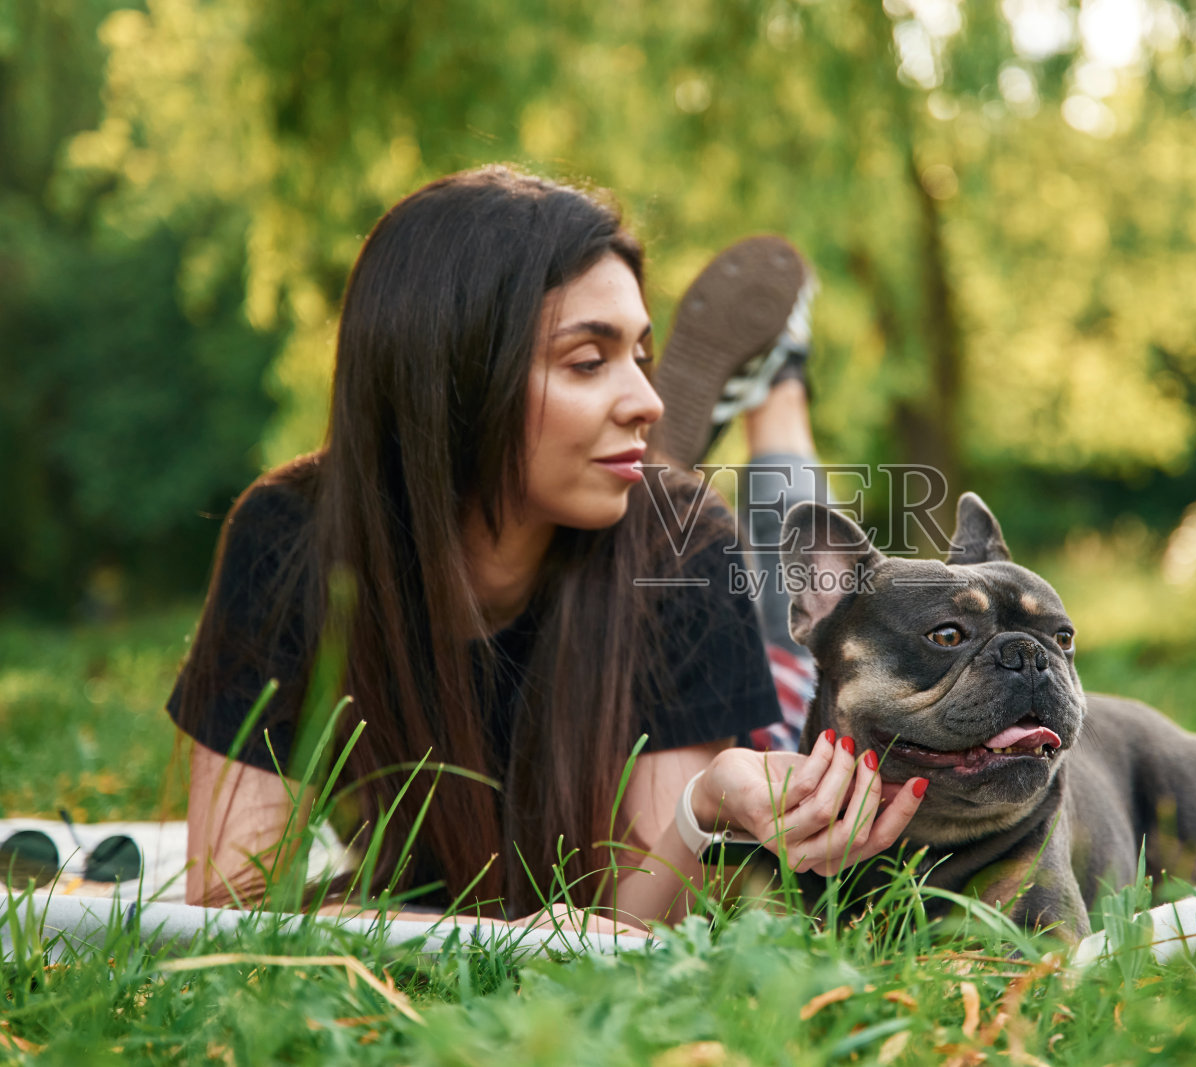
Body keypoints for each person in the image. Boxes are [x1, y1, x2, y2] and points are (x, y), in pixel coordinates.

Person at [168, 166, 926, 934]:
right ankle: (753, 394)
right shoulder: (290, 540)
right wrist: (496, 931)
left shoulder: (685, 545)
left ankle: (780, 383)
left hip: (773, 711)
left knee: (815, 576)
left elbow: (637, 931)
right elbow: (229, 902)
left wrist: (703, 807)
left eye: (641, 355)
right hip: (645, 536)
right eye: (589, 360)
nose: (650, 401)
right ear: (454, 377)